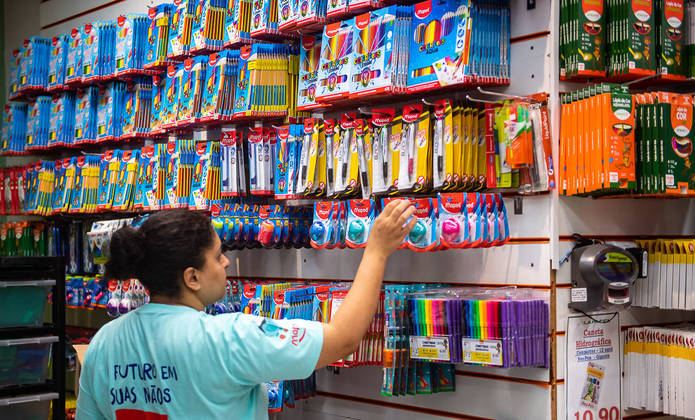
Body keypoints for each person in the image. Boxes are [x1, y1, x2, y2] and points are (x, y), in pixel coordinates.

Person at [76, 200, 415, 420]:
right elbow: (343, 340)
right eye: (218, 255)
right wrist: (377, 251)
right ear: (192, 277)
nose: (226, 263)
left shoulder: (104, 342)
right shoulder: (229, 337)